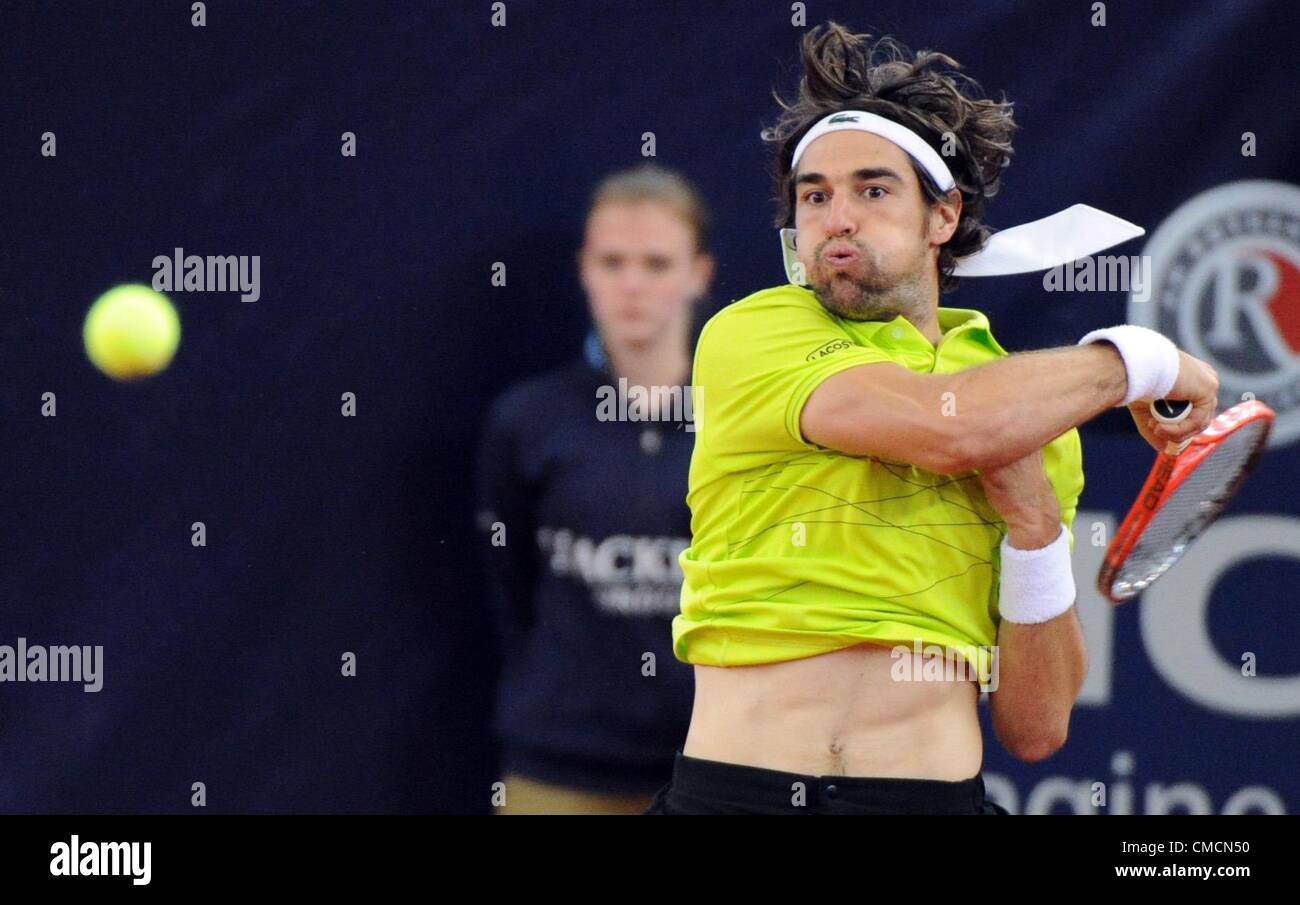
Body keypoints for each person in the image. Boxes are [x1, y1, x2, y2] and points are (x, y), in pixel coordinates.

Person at [645, 24, 1219, 815]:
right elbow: (951, 428)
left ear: (942, 217)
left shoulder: (1031, 409)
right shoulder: (752, 332)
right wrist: (1139, 358)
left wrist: (1032, 524)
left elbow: (1037, 725)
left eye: (872, 190)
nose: (836, 218)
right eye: (815, 195)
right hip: (738, 798)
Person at [477, 163, 716, 814]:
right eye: (613, 262)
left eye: (657, 263)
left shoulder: (742, 422)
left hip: (714, 773)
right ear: (585, 269)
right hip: (559, 770)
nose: (632, 285)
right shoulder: (527, 420)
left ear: (699, 273)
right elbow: (508, 586)